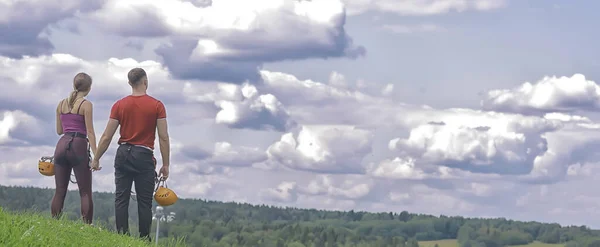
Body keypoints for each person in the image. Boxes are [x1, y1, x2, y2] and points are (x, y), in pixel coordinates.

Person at [92, 67, 170, 242]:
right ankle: (144, 240)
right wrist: (166, 164)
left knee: (121, 198)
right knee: (144, 201)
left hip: (123, 153)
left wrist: (96, 158)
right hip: (144, 155)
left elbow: (106, 136)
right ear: (145, 81)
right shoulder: (157, 105)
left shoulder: (119, 105)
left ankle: (122, 237)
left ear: (129, 83)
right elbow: (163, 137)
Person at [51, 72, 100, 225]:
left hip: (62, 144)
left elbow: (59, 131)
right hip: (78, 144)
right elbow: (90, 132)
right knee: (85, 192)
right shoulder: (86, 105)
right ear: (89, 88)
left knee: (60, 191)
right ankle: (87, 225)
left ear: (74, 85)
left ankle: (54, 223)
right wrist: (96, 157)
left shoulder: (61, 104)